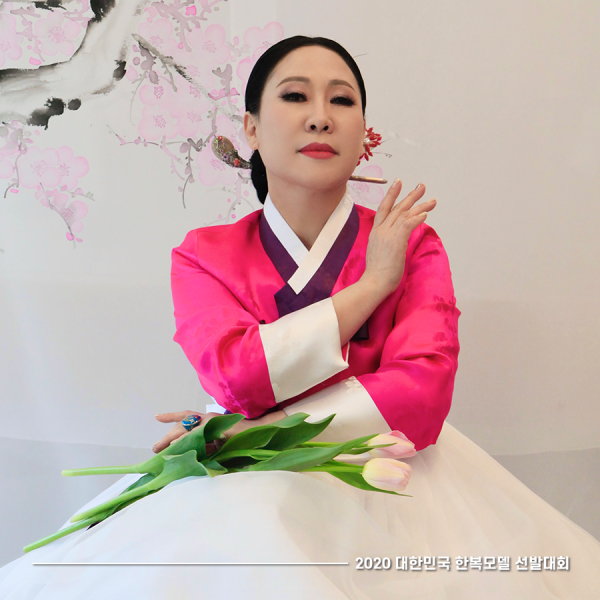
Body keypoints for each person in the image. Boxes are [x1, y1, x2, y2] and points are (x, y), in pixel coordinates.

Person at [1, 36, 599, 600]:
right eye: (294, 96)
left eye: (341, 100)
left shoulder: (411, 241)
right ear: (251, 128)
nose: (320, 117)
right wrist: (373, 286)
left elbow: (423, 391)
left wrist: (256, 432)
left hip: (389, 469)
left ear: (364, 131)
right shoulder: (204, 254)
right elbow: (238, 375)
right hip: (246, 481)